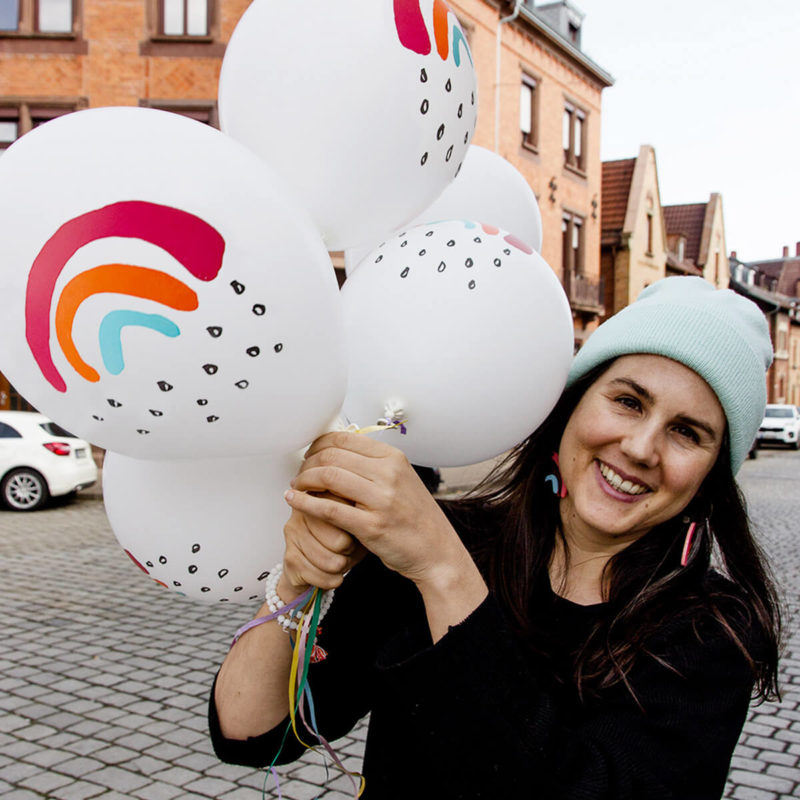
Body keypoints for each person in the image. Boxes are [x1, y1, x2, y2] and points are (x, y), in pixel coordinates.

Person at [209, 276, 782, 799]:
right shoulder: (450, 540)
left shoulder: (713, 631)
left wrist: (442, 570)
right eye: (628, 401)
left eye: (688, 432)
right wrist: (297, 582)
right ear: (571, 407)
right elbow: (255, 737)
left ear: (711, 476)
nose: (639, 448)